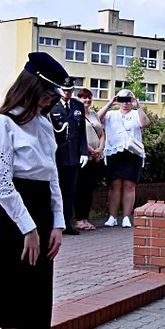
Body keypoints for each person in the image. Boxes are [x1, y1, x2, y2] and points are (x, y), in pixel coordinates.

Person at [0, 52, 67, 329]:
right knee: (14, 296)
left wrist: (58, 223)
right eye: (47, 93)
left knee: (37, 296)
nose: (51, 100)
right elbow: (1, 184)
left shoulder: (45, 126)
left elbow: (52, 177)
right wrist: (29, 228)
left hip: (40, 214)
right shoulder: (2, 125)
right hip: (13, 216)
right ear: (31, 87)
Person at [97, 90, 149, 228]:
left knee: (129, 185)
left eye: (128, 100)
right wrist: (110, 103)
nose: (125, 103)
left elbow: (144, 123)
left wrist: (137, 106)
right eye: (122, 99)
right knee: (115, 185)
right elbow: (96, 120)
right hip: (114, 152)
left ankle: (126, 216)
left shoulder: (135, 114)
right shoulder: (111, 114)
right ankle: (112, 216)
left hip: (133, 153)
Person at [49, 86, 87, 235]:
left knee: (69, 192)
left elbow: (82, 130)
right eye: (64, 90)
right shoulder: (52, 105)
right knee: (55, 191)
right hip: (57, 155)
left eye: (70, 90)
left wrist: (84, 151)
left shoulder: (78, 106)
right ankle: (54, 223)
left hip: (72, 156)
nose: (67, 93)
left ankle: (66, 223)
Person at [73, 88, 105, 231]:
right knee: (80, 188)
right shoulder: (76, 115)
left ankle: (86, 218)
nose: (87, 100)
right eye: (84, 98)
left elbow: (101, 133)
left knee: (89, 189)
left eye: (89, 97)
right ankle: (79, 219)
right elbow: (76, 136)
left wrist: (99, 149)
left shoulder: (93, 114)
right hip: (83, 157)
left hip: (96, 158)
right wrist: (90, 150)